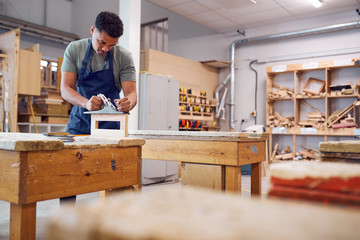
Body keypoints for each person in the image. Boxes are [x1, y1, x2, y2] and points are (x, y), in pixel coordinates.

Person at [60, 11, 137, 205]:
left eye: (112, 45)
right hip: (80, 122)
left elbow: (132, 94)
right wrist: (86, 103)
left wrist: (128, 102)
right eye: (102, 42)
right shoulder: (74, 49)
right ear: (92, 30)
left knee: (114, 174)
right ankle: (67, 221)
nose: (105, 48)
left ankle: (113, 223)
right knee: (69, 175)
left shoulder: (124, 57)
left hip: (111, 126)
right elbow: (66, 89)